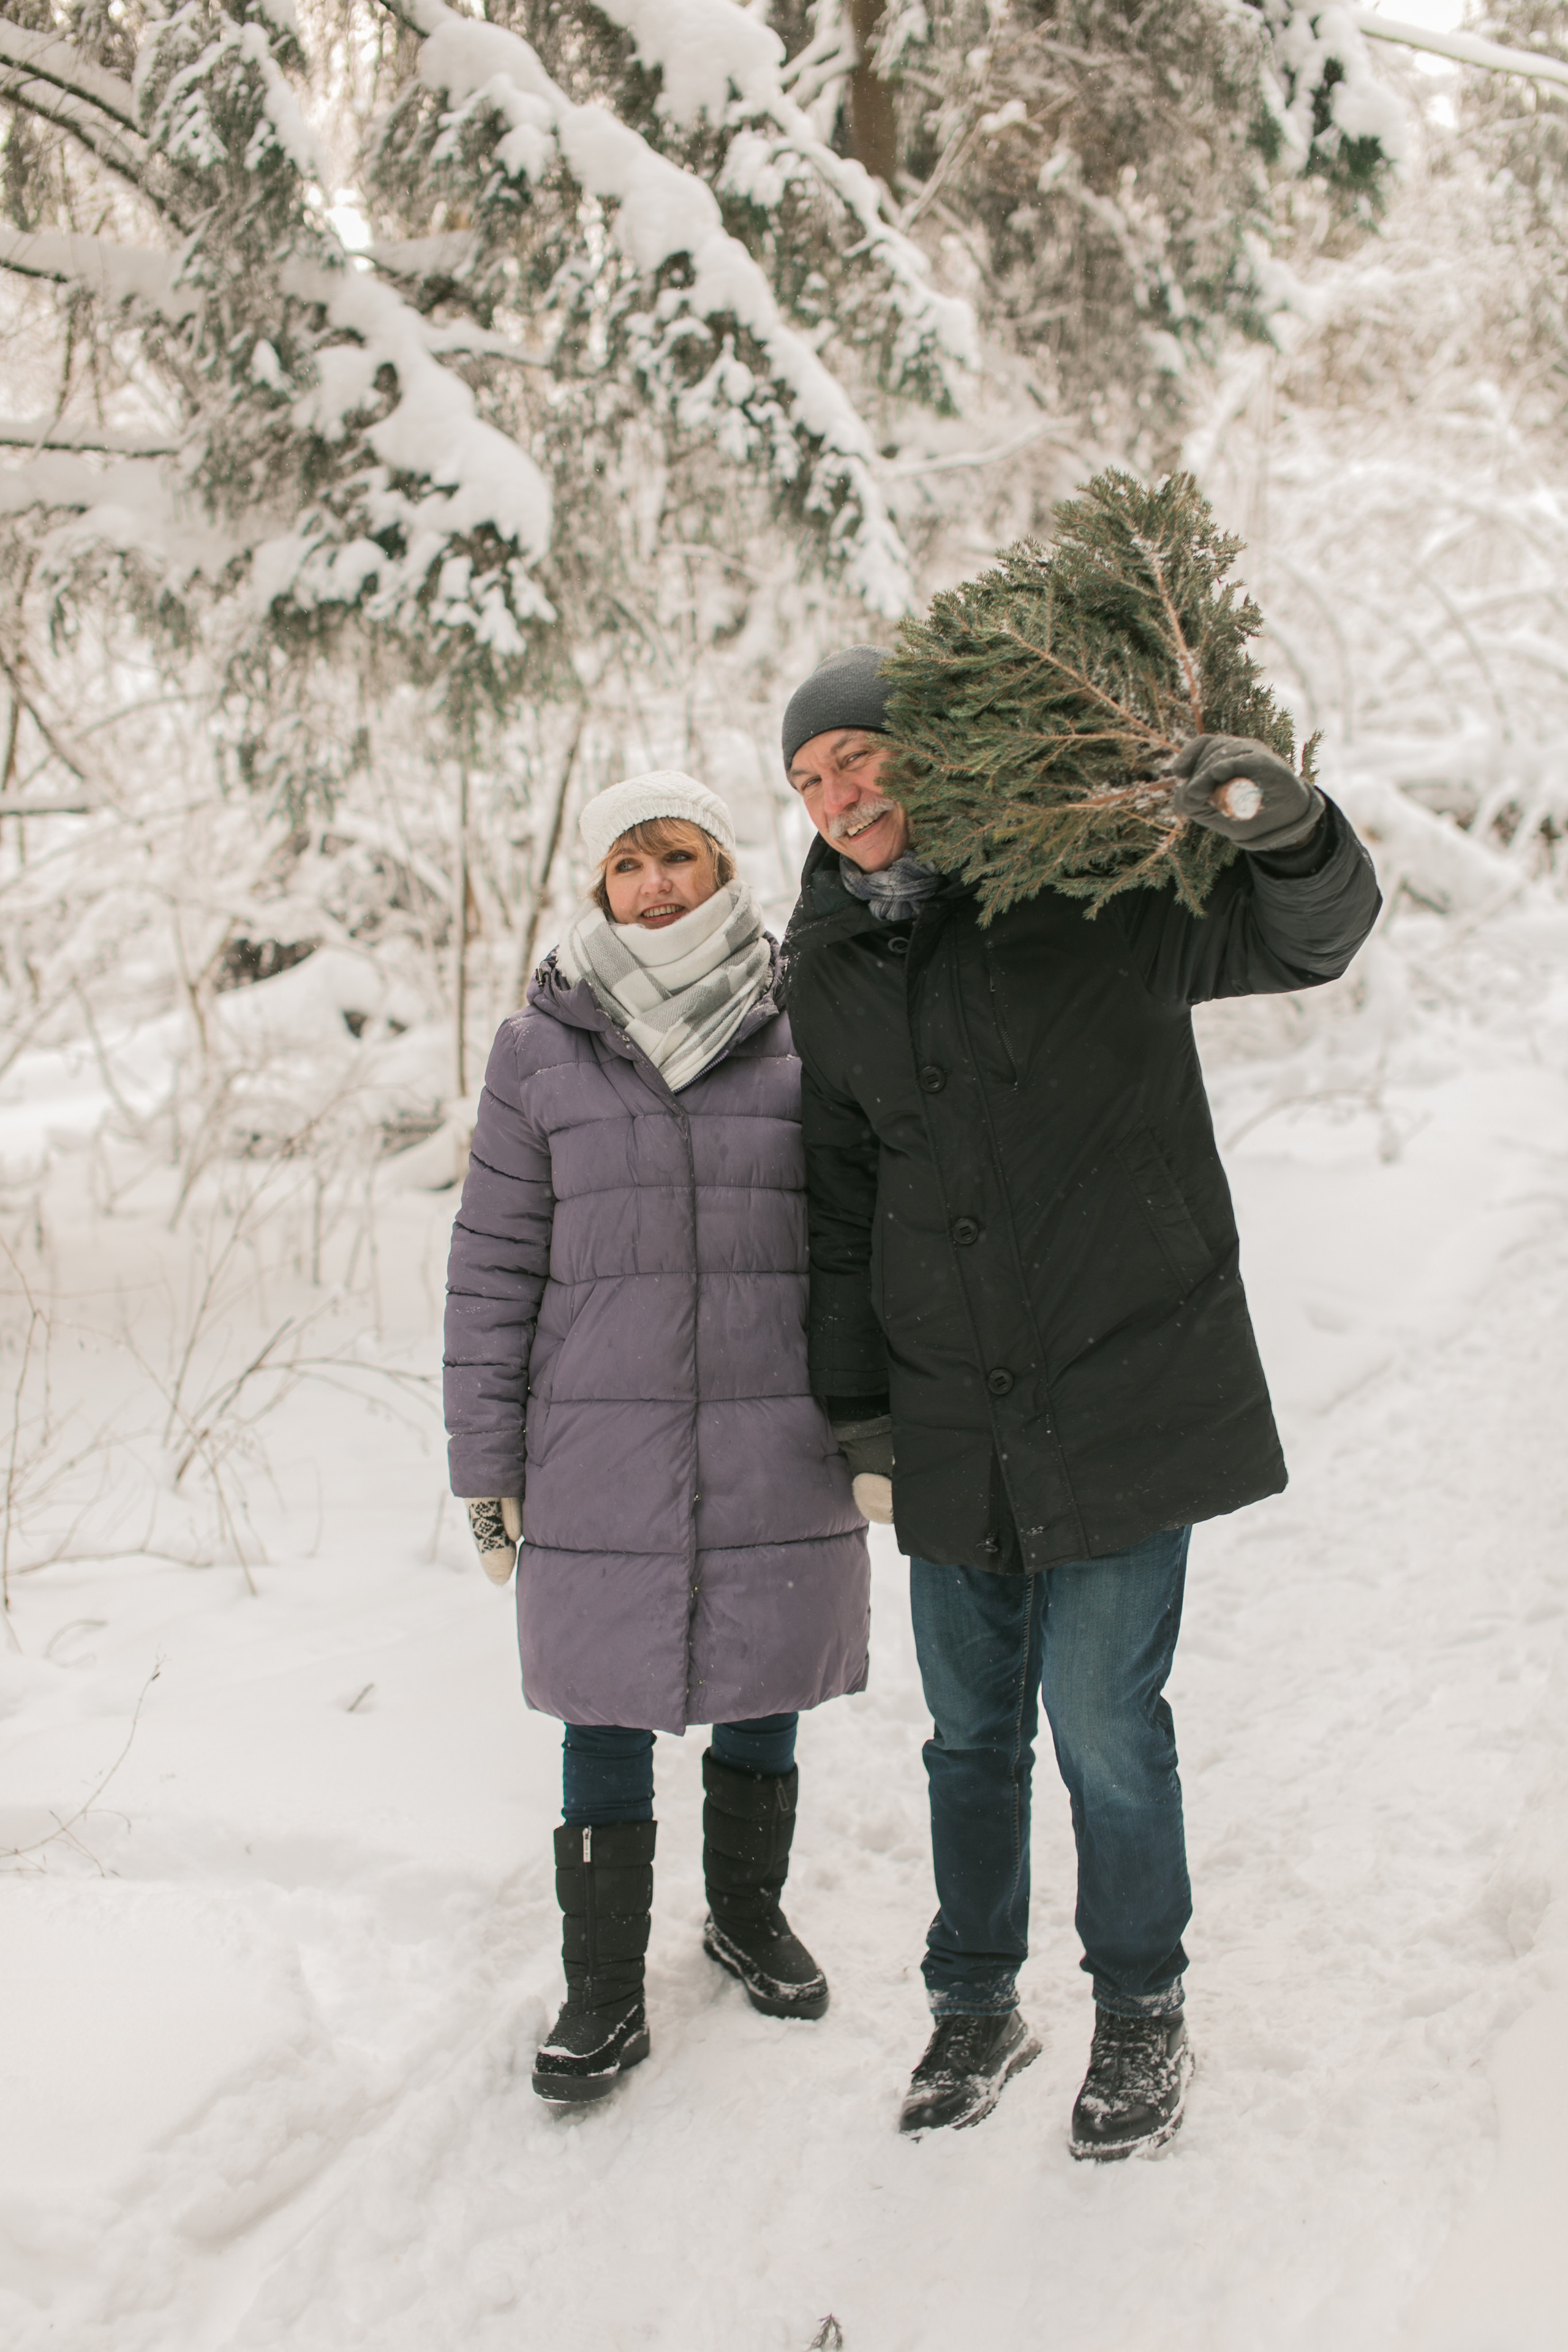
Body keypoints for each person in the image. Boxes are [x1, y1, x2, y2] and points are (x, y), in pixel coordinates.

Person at [778, 646, 1382, 2157]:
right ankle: (975, 2000)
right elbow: (839, 1205)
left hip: (1124, 1375)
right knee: (969, 1735)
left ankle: (1136, 2011)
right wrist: (858, 1417)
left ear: (926, 755)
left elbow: (1305, 938)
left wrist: (1283, 826)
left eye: (857, 758)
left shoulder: (1084, 892)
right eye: (806, 781)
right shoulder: (827, 969)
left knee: (1103, 1723)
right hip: (945, 1411)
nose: (839, 797)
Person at [443, 771, 871, 2106]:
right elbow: (492, 1266)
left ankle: (745, 1913)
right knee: (601, 1706)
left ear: (724, 870)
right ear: (598, 888)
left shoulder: (804, 1022)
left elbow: (866, 1233)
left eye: (677, 855)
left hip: (774, 1422)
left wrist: (880, 1416)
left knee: (762, 1676)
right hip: (596, 1445)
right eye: (627, 864)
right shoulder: (540, 1049)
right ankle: (602, 1989)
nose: (654, 884)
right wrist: (483, 1468)